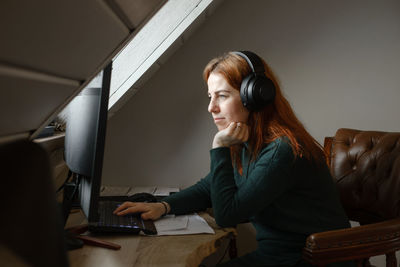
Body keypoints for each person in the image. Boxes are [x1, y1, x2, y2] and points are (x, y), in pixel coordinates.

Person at [114, 51, 353, 267]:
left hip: (312, 260)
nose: (211, 107)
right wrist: (163, 206)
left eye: (222, 96)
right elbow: (208, 187)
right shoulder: (249, 141)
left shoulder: (283, 149)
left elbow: (228, 215)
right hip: (279, 256)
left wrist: (219, 147)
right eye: (210, 96)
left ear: (255, 96)